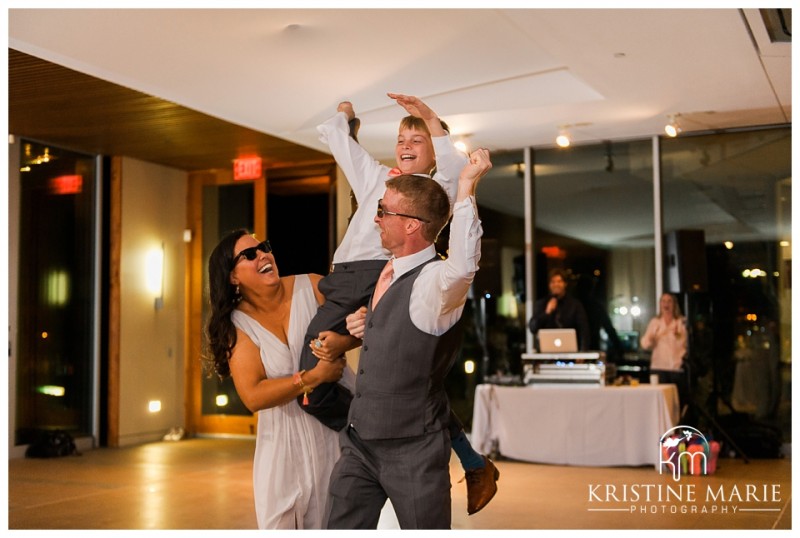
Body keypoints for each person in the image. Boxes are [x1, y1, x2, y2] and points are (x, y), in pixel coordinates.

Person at [302, 94, 498, 515]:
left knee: (385, 376)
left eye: (418, 139)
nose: (407, 145)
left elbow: (451, 169)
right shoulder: (376, 175)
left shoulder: (434, 189)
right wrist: (344, 118)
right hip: (356, 276)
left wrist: (432, 120)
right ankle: (468, 459)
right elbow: (340, 143)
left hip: (389, 270)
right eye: (401, 137)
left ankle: (452, 452)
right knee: (358, 363)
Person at [205, 229, 357, 529]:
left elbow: (368, 321)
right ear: (232, 277)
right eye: (249, 255)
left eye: (263, 247)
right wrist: (312, 377)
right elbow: (252, 395)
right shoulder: (238, 324)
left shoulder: (312, 287)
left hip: (333, 431)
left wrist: (341, 344)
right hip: (282, 446)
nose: (262, 254)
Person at [640, 292, 689, 408]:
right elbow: (645, 344)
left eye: (669, 301)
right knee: (661, 403)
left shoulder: (681, 322)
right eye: (663, 301)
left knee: (677, 403)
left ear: (674, 304)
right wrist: (652, 337)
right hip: (659, 367)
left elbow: (686, 345)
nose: (666, 304)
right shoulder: (655, 322)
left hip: (676, 368)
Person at [529, 268, 591, 351]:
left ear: (565, 284)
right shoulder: (541, 304)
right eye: (553, 282)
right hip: (546, 353)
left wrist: (583, 351)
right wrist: (547, 312)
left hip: (570, 352)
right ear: (549, 285)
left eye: (559, 281)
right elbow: (533, 327)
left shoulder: (575, 305)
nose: (556, 284)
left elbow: (584, 330)